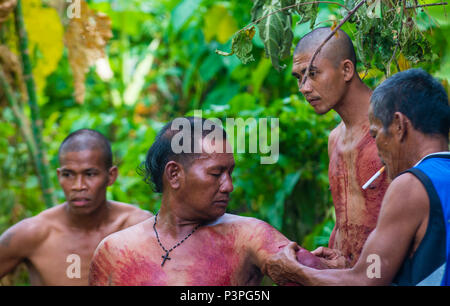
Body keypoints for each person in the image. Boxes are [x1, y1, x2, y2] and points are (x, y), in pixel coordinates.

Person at [265, 68, 450, 285]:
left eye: (375, 134)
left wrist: (296, 272)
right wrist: (348, 268)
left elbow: (364, 281)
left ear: (399, 125)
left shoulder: (411, 186)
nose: (379, 150)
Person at [88, 117, 325, 286]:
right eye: (216, 174)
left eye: (230, 173)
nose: (229, 185)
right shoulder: (115, 251)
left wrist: (338, 266)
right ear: (174, 174)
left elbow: (315, 274)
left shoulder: (248, 236)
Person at [0, 129, 152, 285]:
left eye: (90, 174)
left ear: (111, 176)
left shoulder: (139, 227)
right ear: (59, 176)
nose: (78, 186)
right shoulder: (33, 234)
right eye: (68, 175)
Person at [292, 27, 390, 267]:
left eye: (312, 73)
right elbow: (345, 220)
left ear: (346, 70)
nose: (304, 87)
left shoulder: (391, 129)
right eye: (299, 77)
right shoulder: (334, 139)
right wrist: (336, 259)